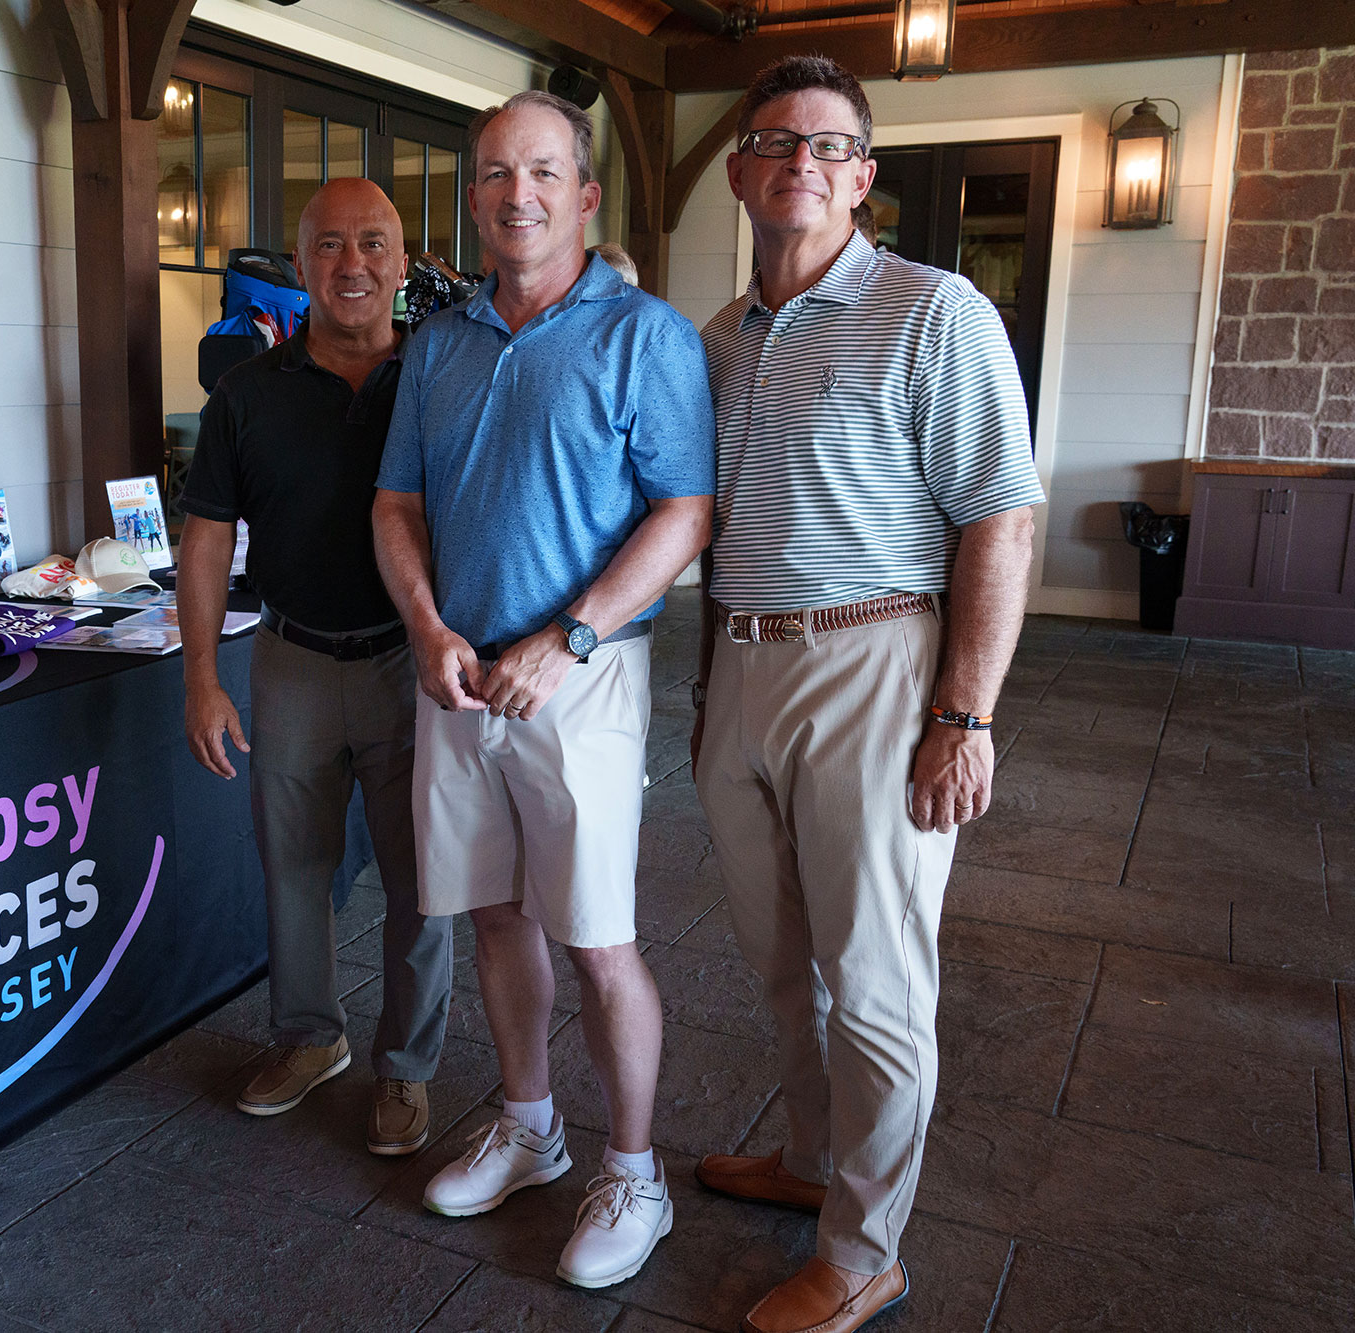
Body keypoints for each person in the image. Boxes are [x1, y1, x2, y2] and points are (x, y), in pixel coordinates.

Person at [688, 55, 1042, 1333]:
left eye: (830, 147)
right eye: (776, 141)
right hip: (739, 663)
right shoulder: (720, 337)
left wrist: (964, 713)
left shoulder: (932, 310)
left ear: (863, 179)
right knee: (785, 963)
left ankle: (863, 1246)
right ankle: (811, 1160)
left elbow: (997, 519)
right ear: (737, 171)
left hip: (874, 662)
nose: (801, 163)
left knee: (878, 975)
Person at [372, 90, 715, 1289]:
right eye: (490, 174)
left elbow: (683, 512)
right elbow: (396, 505)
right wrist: (424, 629)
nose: (514, 194)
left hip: (583, 679)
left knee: (599, 938)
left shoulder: (645, 336)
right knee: (491, 914)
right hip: (456, 678)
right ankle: (529, 1124)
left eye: (540, 172)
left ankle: (633, 1170)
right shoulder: (443, 341)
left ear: (581, 194)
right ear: (472, 198)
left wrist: (566, 636)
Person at [178, 178, 452, 1157]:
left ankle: (407, 1068)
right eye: (328, 247)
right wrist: (200, 674)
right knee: (292, 866)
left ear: (401, 261)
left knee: (422, 876)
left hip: (407, 663)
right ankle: (308, 1037)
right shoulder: (245, 394)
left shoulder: (437, 376)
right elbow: (206, 539)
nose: (351, 265)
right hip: (289, 658)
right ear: (299, 269)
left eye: (372, 243)